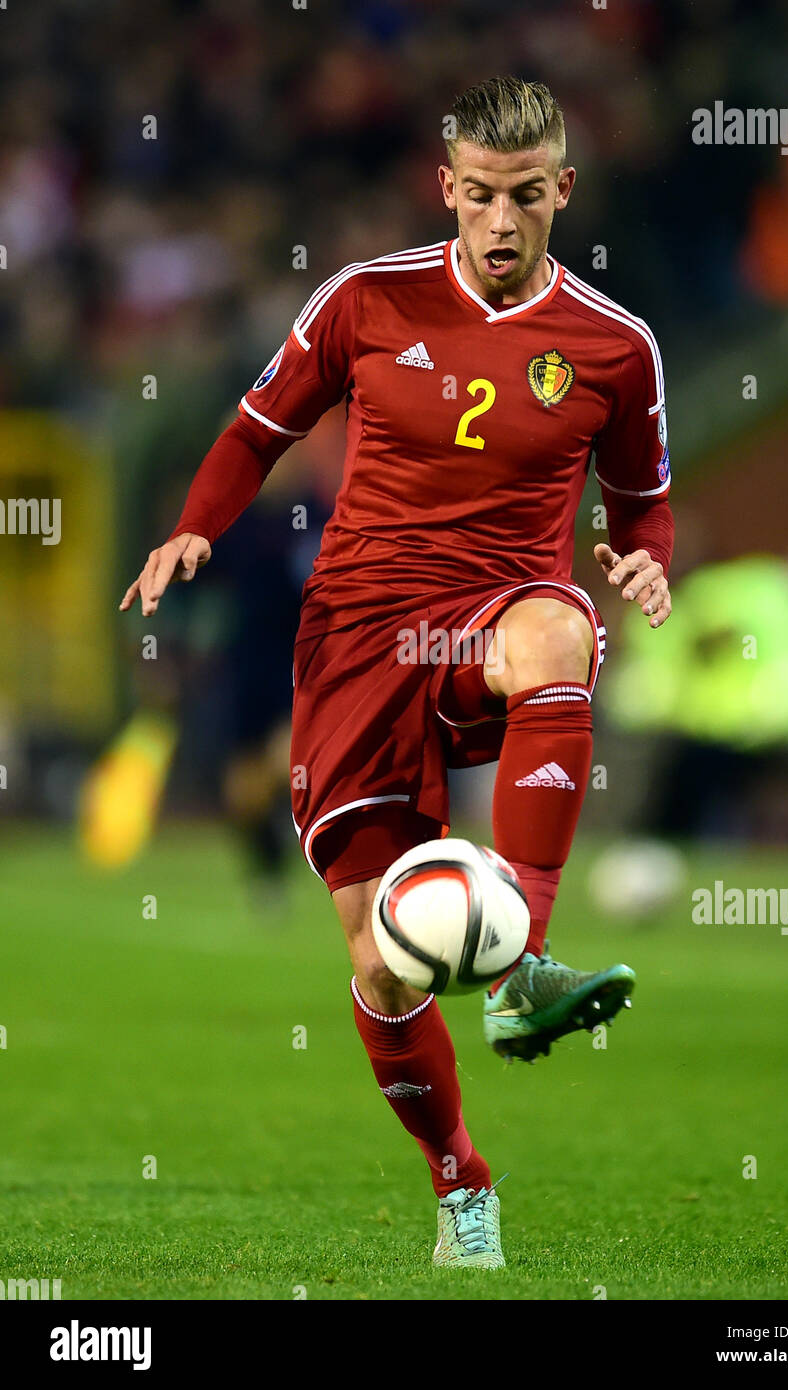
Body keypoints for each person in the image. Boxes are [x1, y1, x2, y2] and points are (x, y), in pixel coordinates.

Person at [120, 75, 674, 1270]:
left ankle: (521, 958)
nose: (502, 219)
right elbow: (257, 427)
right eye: (480, 195)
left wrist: (644, 564)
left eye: (527, 196)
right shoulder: (366, 300)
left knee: (558, 634)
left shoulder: (615, 347)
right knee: (379, 960)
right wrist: (193, 527)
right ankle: (459, 1179)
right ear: (449, 190)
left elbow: (642, 501)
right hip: (362, 639)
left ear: (562, 192)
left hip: (490, 622)